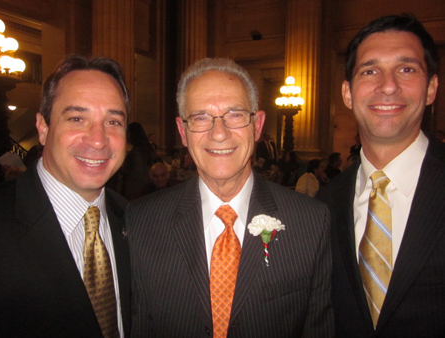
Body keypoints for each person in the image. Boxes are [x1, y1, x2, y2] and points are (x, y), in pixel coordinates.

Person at [126, 58, 333, 337]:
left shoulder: (310, 222)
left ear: (257, 125)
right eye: (200, 117)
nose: (219, 133)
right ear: (182, 131)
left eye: (235, 114)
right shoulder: (142, 221)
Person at [316, 14, 445, 337]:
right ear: (348, 93)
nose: (388, 85)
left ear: (431, 89)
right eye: (370, 71)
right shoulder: (325, 204)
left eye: (406, 69)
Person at [0, 55, 131, 337]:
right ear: (43, 128)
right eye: (77, 118)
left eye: (113, 121)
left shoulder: (136, 220)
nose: (97, 139)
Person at [120, 122, 154, 200]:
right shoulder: (147, 150)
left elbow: (125, 171)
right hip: (146, 189)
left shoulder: (135, 153)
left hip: (134, 190)